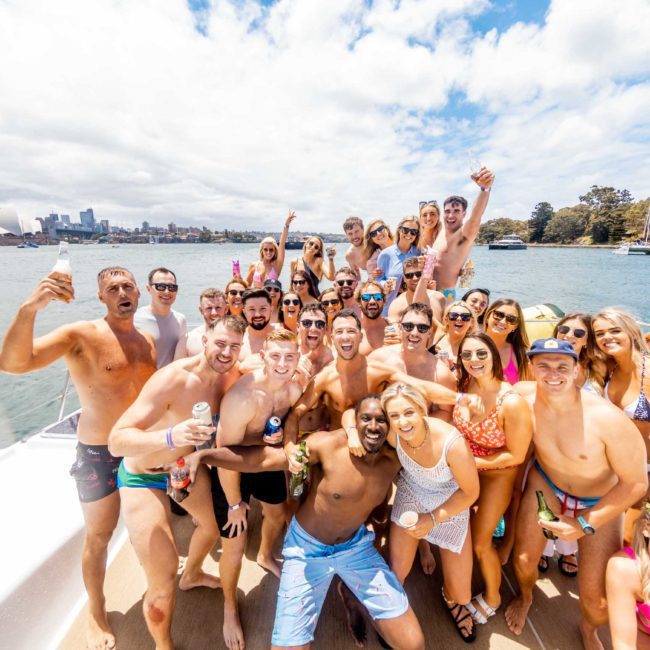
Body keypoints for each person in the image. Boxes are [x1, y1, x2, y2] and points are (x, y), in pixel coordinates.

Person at [185, 396, 426, 650]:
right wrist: (204, 456)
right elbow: (262, 460)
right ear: (354, 422)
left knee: (414, 645)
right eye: (366, 418)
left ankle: (353, 593)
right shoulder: (328, 446)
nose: (374, 427)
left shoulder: (396, 458)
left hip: (355, 548)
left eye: (382, 420)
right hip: (306, 550)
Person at [0, 266, 157, 650]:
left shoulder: (148, 340)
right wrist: (28, 309)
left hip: (139, 450)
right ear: (101, 296)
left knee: (150, 524)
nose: (122, 292)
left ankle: (159, 581)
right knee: (99, 536)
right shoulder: (81, 335)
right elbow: (14, 364)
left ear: (139, 295)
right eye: (113, 287)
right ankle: (96, 612)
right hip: (99, 453)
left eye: (128, 287)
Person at [108, 316, 245, 650]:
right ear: (205, 338)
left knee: (213, 527)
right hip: (144, 475)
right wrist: (171, 435)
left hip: (181, 469)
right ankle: (163, 645)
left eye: (234, 347)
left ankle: (193, 574)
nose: (226, 352)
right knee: (162, 577)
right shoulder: (171, 379)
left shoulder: (226, 377)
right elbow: (116, 441)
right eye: (220, 343)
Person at [504, 338, 647, 650]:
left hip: (598, 499)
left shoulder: (607, 419)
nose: (552, 373)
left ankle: (588, 628)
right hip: (548, 485)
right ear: (531, 367)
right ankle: (526, 597)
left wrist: (582, 522)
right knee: (525, 561)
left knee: (597, 605)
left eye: (562, 366)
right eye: (543, 365)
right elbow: (480, 396)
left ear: (577, 369)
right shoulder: (521, 397)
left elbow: (636, 483)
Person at [210, 329, 304, 649]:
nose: (282, 363)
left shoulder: (293, 389)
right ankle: (229, 607)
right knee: (234, 545)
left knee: (276, 515)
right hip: (232, 467)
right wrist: (235, 503)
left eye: (289, 356)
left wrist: (287, 444)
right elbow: (224, 456)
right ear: (262, 356)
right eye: (275, 356)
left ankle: (265, 555)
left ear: (297, 357)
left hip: (263, 461)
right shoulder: (242, 397)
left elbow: (296, 425)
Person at [382, 382, 480, 643]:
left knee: (462, 596)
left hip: (451, 502)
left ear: (422, 409)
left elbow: (471, 493)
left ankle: (449, 599)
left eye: (409, 412)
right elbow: (352, 414)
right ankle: (393, 615)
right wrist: (351, 430)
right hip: (412, 493)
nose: (402, 422)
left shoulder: (452, 443)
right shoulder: (392, 435)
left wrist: (433, 519)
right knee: (397, 573)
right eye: (394, 415)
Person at [452, 333, 532, 624]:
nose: (474, 360)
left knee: (480, 541)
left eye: (481, 354)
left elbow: (517, 455)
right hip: (465, 470)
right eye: (467, 355)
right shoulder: (464, 385)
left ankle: (493, 596)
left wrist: (471, 462)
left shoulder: (511, 402)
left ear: (494, 357)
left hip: (497, 475)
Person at [593, 308, 650, 543]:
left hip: (640, 471)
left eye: (615, 330)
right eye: (600, 333)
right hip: (607, 470)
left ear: (631, 333)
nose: (607, 337)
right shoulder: (607, 366)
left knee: (626, 540)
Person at [430, 168, 495, 300]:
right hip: (426, 290)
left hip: (444, 295)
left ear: (464, 213)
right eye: (447, 211)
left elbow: (476, 215)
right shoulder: (440, 230)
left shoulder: (464, 235)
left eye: (456, 211)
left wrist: (484, 190)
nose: (450, 215)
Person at [606, 501, 650, 650]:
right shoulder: (625, 568)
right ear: (647, 528)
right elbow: (624, 645)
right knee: (596, 606)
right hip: (642, 636)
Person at [135, 267, 187, 368]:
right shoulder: (135, 319)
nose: (167, 292)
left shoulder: (180, 320)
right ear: (149, 289)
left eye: (172, 287)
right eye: (161, 286)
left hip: (170, 381)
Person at [295, 304, 334, 435]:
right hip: (292, 430)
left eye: (319, 324)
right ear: (297, 326)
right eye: (306, 323)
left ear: (326, 329)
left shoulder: (333, 359)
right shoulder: (287, 357)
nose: (313, 328)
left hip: (325, 431)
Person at [376, 216, 422, 313]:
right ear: (399, 230)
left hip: (414, 307)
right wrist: (385, 284)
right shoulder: (385, 254)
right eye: (406, 230)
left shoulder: (419, 253)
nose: (409, 234)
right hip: (390, 307)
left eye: (414, 231)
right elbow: (378, 280)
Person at [553, 313, 606, 395]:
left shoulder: (596, 368)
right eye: (564, 329)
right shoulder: (539, 364)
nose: (569, 335)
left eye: (579, 333)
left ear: (587, 341)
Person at [387, 256, 445, 327]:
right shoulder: (397, 305)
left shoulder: (439, 298)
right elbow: (394, 333)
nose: (414, 278)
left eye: (418, 274)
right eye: (409, 275)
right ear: (404, 278)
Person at [483, 299, 530, 384]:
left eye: (511, 319)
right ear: (487, 317)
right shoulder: (469, 345)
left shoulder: (521, 354)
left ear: (515, 326)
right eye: (499, 314)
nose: (503, 321)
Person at [245, 211, 295, 286]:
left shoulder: (277, 265)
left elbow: (282, 244)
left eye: (271, 250)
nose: (268, 252)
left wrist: (286, 225)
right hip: (256, 297)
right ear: (262, 250)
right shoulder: (254, 265)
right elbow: (247, 285)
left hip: (271, 297)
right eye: (265, 249)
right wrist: (237, 277)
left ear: (275, 251)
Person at [174, 288, 228, 358]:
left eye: (218, 308)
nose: (214, 313)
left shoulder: (236, 338)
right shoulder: (187, 340)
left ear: (226, 309)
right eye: (209, 308)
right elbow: (176, 367)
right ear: (201, 310)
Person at [429, 301, 476, 372]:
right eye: (453, 315)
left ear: (472, 322)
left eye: (465, 316)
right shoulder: (438, 333)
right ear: (446, 319)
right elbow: (422, 305)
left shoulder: (473, 347)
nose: (459, 319)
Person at [239, 288, 276, 360]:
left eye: (263, 308)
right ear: (244, 312)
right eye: (251, 309)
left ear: (271, 310)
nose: (257, 315)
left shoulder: (284, 336)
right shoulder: (238, 340)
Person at [356, 280, 389, 355]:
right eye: (365, 297)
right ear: (359, 303)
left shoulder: (394, 329)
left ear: (384, 301)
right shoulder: (353, 332)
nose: (372, 301)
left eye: (378, 297)